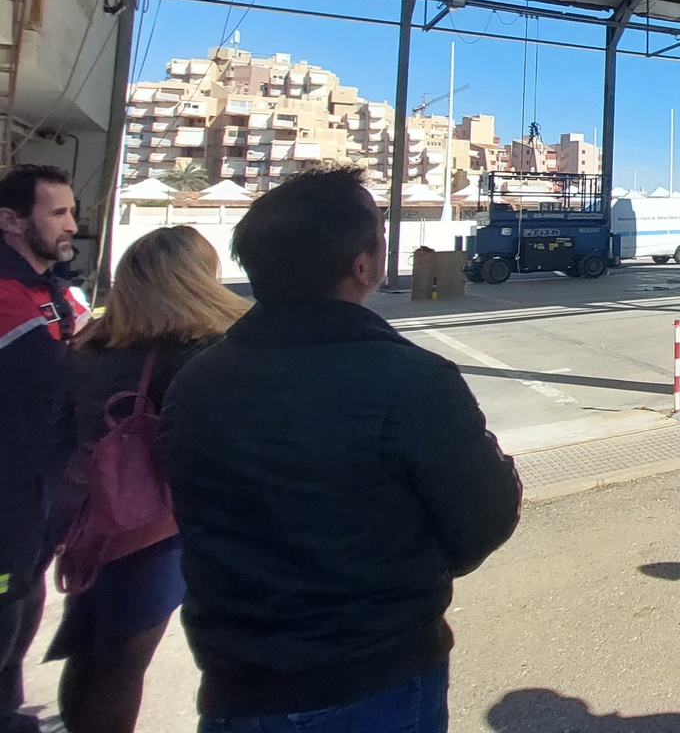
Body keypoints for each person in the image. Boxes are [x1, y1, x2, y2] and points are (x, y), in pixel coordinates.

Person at [161, 166, 522, 733]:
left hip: (232, 687)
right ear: (362, 266)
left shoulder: (195, 380)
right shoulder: (412, 381)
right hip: (373, 679)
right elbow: (484, 521)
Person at [47, 226, 246, 733]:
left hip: (87, 516)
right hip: (152, 525)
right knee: (122, 659)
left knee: (91, 648)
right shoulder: (195, 353)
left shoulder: (92, 342)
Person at [0, 165, 90, 733]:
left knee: (18, 627)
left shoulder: (60, 294)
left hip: (38, 503)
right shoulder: (7, 297)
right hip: (7, 496)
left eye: (72, 211)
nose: (72, 226)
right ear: (10, 221)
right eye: (57, 213)